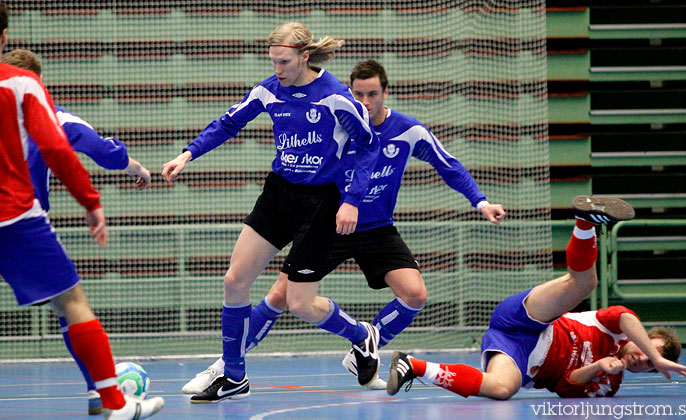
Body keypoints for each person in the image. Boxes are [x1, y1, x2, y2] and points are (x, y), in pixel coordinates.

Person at [181, 59, 507, 394]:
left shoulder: (408, 131)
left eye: (373, 94)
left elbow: (447, 164)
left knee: (415, 293)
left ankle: (363, 348)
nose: (366, 102)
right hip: (332, 224)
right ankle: (227, 364)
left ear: (386, 92)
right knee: (281, 296)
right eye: (359, 94)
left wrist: (481, 202)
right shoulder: (341, 123)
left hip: (377, 228)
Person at [162, 22, 381, 403]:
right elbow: (228, 122)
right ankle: (235, 378)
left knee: (300, 303)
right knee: (234, 281)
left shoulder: (336, 97)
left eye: (284, 61)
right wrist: (188, 154)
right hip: (279, 194)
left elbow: (368, 148)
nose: (278, 69)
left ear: (304, 56)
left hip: (321, 202)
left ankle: (362, 336)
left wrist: (352, 200)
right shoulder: (269, 90)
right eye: (273, 61)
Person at [0, 3, 163, 419]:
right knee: (70, 303)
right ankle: (108, 399)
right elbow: (99, 153)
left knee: (63, 309)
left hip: (19, 222)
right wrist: (101, 196)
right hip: (17, 220)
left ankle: (99, 392)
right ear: (4, 37)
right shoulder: (31, 95)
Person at [386, 196, 686, 399]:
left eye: (649, 365)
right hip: (535, 321)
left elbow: (565, 386)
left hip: (517, 352)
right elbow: (624, 315)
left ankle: (411, 365)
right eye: (647, 352)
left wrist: (599, 366)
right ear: (643, 340)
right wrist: (656, 356)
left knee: (502, 388)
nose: (642, 360)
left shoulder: (608, 383)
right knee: (584, 283)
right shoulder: (617, 330)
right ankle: (585, 221)